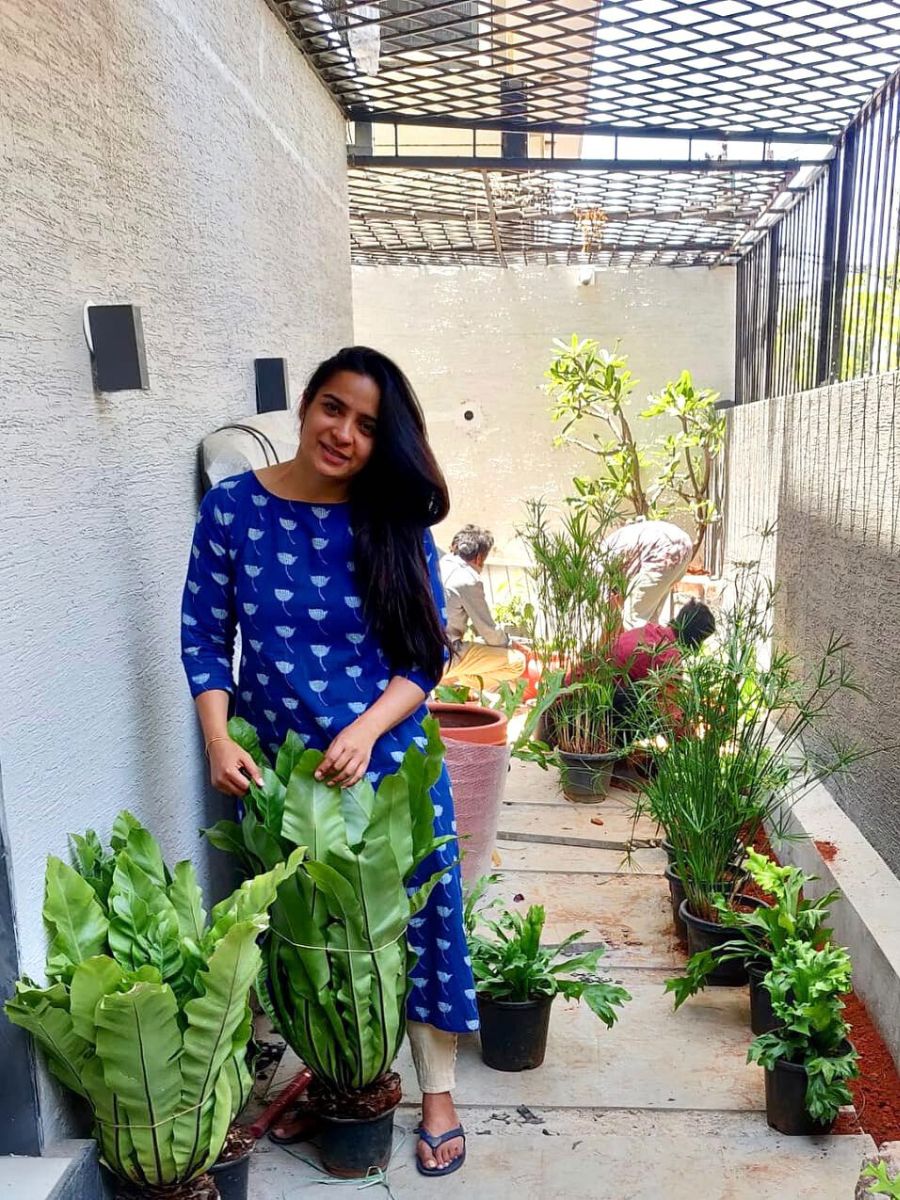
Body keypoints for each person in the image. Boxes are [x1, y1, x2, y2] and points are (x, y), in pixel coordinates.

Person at [181, 347, 473, 1177]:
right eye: (333, 409)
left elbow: (424, 659)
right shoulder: (233, 511)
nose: (344, 433)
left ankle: (438, 1093)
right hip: (280, 777)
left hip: (387, 769)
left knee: (416, 926)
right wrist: (218, 736)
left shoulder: (392, 521)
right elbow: (205, 637)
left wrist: (369, 730)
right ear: (306, 406)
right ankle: (340, 1082)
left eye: (368, 425)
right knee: (306, 940)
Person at [609, 599, 717, 739]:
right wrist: (694, 745)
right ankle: (619, 751)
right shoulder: (668, 658)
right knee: (649, 707)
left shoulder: (651, 631)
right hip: (597, 714)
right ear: (695, 640)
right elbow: (670, 717)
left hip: (584, 699)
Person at [439, 526, 526, 693]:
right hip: (440, 655)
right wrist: (510, 644)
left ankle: (451, 682)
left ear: (453, 547)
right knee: (516, 662)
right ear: (479, 558)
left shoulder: (437, 563)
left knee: (478, 647)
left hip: (412, 650)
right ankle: (456, 682)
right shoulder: (468, 579)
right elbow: (489, 633)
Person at [602, 519, 696, 629]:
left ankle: (638, 645)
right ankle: (653, 644)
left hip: (661, 549)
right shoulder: (605, 549)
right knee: (651, 618)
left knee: (633, 618)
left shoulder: (594, 567)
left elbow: (606, 606)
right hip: (683, 544)